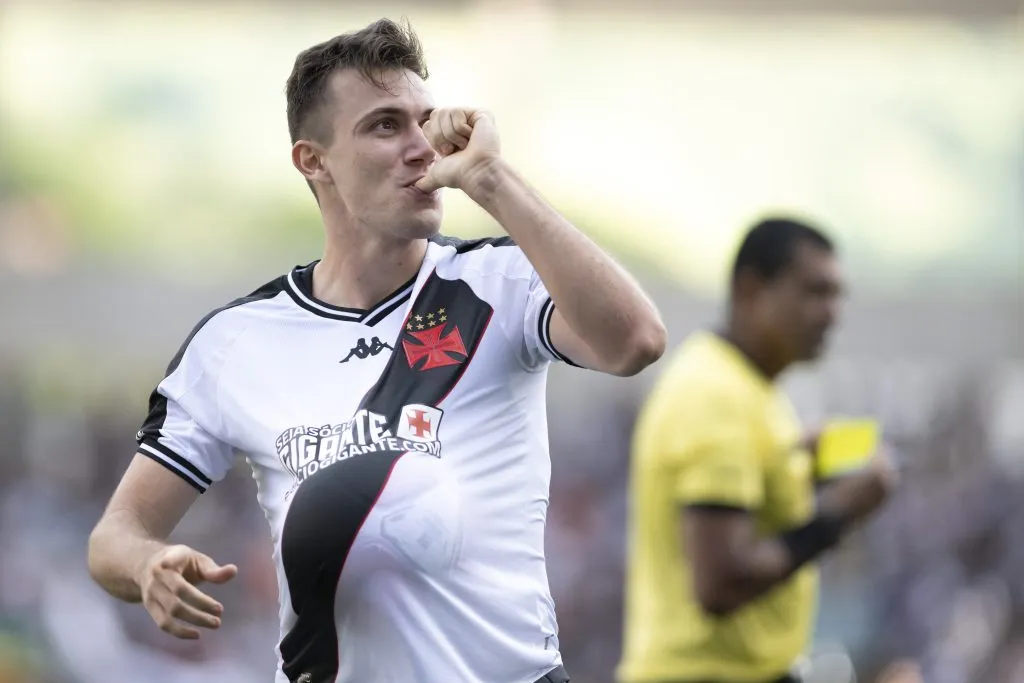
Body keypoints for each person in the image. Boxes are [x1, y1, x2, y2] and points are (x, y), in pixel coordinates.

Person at [86, 18, 666, 683]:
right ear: (314, 160)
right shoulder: (236, 343)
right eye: (385, 126)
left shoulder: (498, 284)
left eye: (426, 122)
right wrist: (145, 565)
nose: (422, 148)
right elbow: (114, 535)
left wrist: (493, 179)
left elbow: (636, 342)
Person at [616, 217, 898, 683]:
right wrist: (839, 513)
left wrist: (799, 469)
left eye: (837, 295)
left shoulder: (748, 387)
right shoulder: (717, 396)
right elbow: (720, 582)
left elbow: (742, 506)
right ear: (751, 289)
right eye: (815, 292)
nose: (833, 313)